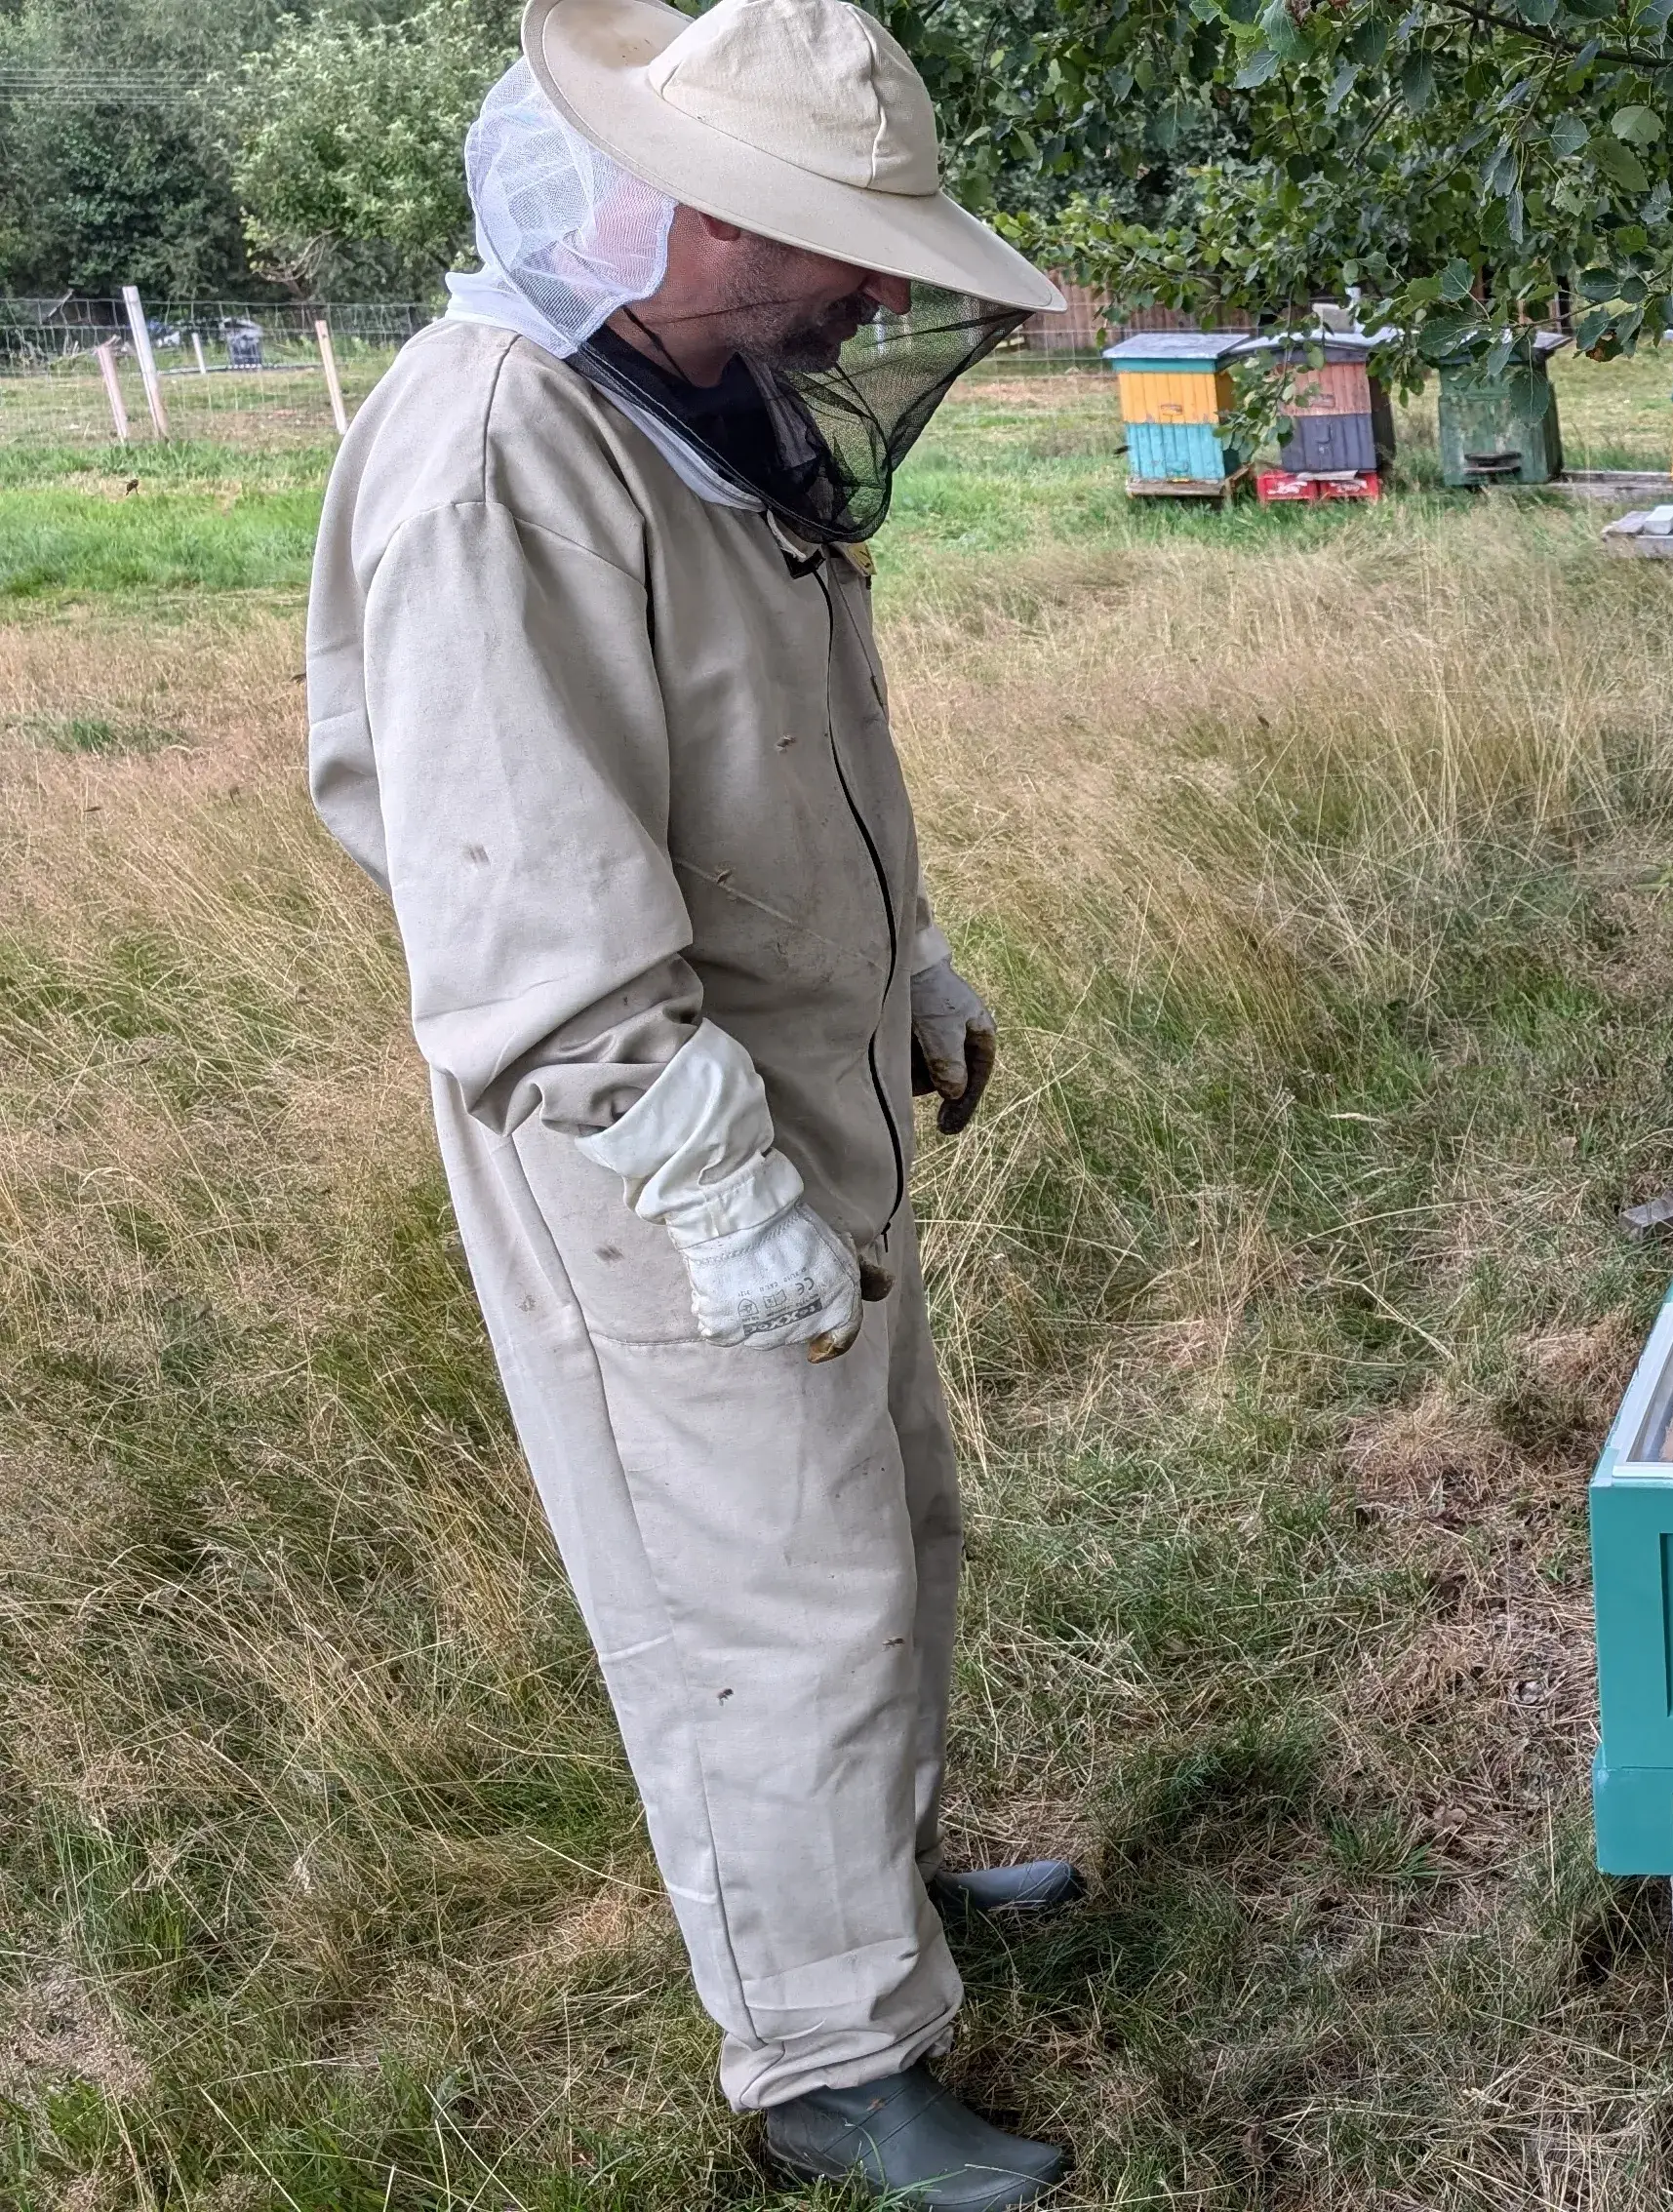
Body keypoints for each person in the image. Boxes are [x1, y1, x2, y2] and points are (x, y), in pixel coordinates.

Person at [305, 1, 1072, 2198]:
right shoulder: (495, 453)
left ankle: (881, 1904)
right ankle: (825, 2057)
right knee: (769, 1586)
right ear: (675, 212)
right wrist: (715, 1181)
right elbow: (518, 901)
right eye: (833, 241)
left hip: (796, 1069)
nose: (876, 290)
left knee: (888, 1523)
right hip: (647, 1129)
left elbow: (760, 767)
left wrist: (902, 958)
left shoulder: (696, 399)